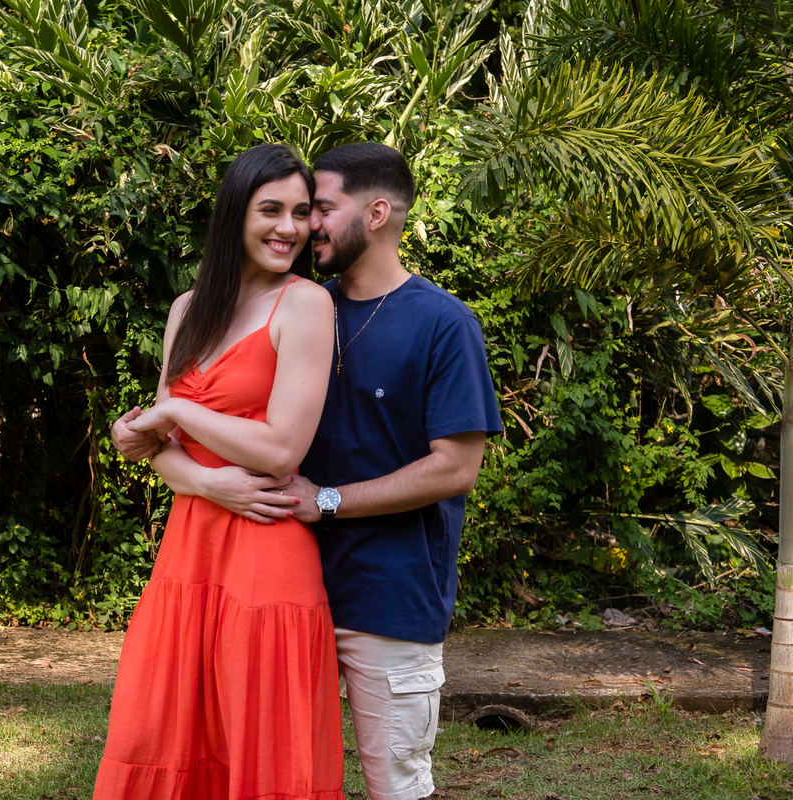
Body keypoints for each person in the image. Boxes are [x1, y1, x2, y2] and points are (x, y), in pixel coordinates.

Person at [113, 141, 502, 800]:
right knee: (227, 756)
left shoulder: (442, 322)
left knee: (394, 783)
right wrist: (189, 467)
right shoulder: (297, 301)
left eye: (317, 208)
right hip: (272, 560)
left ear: (376, 214)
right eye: (288, 209)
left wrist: (325, 500)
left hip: (386, 591)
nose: (303, 226)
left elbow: (456, 469)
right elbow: (181, 441)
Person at [93, 143, 346, 800]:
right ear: (235, 213)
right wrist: (205, 481)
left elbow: (280, 450)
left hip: (266, 548)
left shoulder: (305, 305)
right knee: (162, 733)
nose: (288, 228)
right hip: (191, 548)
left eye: (301, 213)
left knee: (260, 749)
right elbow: (159, 448)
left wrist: (175, 409)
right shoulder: (189, 308)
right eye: (271, 210)